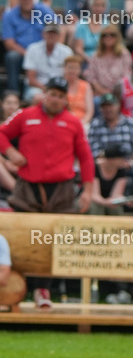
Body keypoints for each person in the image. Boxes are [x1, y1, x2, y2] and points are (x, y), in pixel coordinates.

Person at [0, 78, 94, 307]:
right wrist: (11, 152)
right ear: (45, 94)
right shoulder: (25, 115)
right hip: (28, 186)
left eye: (61, 96)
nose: (56, 100)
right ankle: (17, 288)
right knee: (21, 236)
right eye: (53, 94)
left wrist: (88, 190)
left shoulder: (73, 122)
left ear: (65, 99)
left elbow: (85, 157)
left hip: (61, 188)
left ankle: (44, 289)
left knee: (53, 239)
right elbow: (1, 134)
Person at [3, 0, 57, 94]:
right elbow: (9, 43)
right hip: (22, 53)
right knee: (12, 57)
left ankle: (54, 88)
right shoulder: (9, 16)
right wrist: (29, 54)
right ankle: (14, 93)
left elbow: (58, 28)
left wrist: (54, 47)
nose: (26, 0)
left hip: (44, 51)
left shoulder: (44, 10)